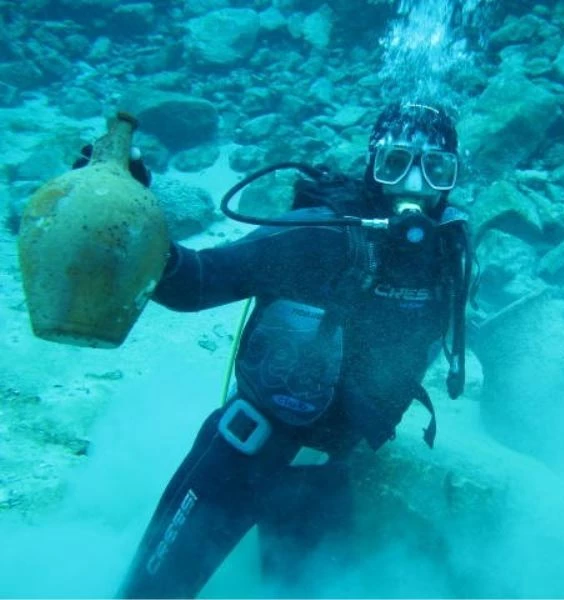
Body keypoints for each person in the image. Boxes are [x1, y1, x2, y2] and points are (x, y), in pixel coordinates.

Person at [107, 101, 473, 598]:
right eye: (396, 163)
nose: (414, 185)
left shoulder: (450, 255)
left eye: (435, 169)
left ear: (452, 178)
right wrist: (127, 208)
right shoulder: (318, 235)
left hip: (323, 478)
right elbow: (192, 285)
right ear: (373, 165)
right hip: (238, 461)